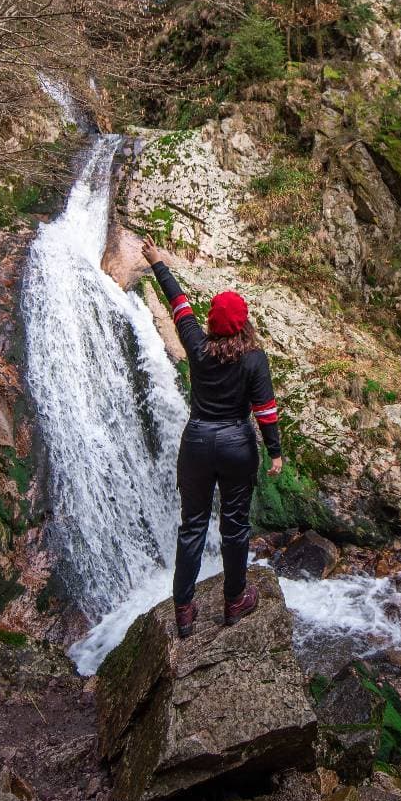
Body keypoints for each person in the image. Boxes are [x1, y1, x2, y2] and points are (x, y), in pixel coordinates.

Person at [141, 234, 283, 638]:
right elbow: (266, 410)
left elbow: (179, 303)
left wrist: (157, 262)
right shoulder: (254, 358)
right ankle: (234, 601)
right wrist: (275, 453)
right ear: (244, 323)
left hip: (198, 442)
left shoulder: (197, 346)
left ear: (212, 323)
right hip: (237, 445)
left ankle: (184, 612)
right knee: (235, 527)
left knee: (192, 526)